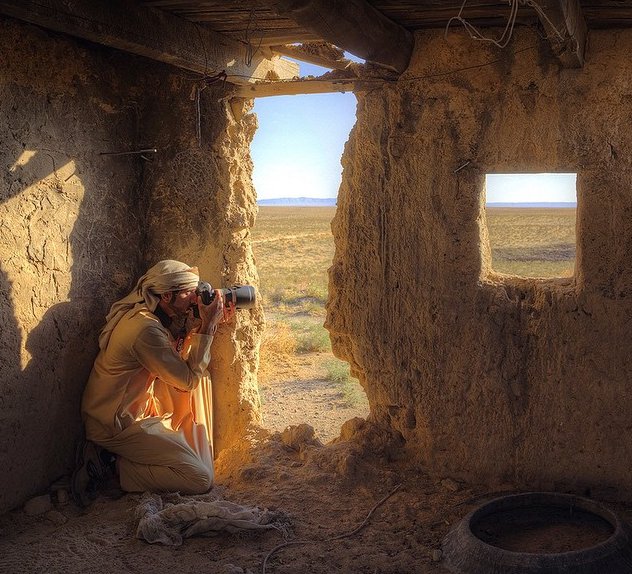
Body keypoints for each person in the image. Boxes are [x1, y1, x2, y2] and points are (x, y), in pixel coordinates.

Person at [72, 260, 232, 507]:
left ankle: (156, 454)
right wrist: (208, 326)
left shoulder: (147, 315)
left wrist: (202, 325)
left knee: (203, 379)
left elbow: (179, 368)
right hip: (114, 423)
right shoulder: (144, 329)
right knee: (200, 478)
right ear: (167, 296)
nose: (195, 299)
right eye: (190, 293)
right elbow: (187, 379)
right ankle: (110, 468)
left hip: (134, 407)